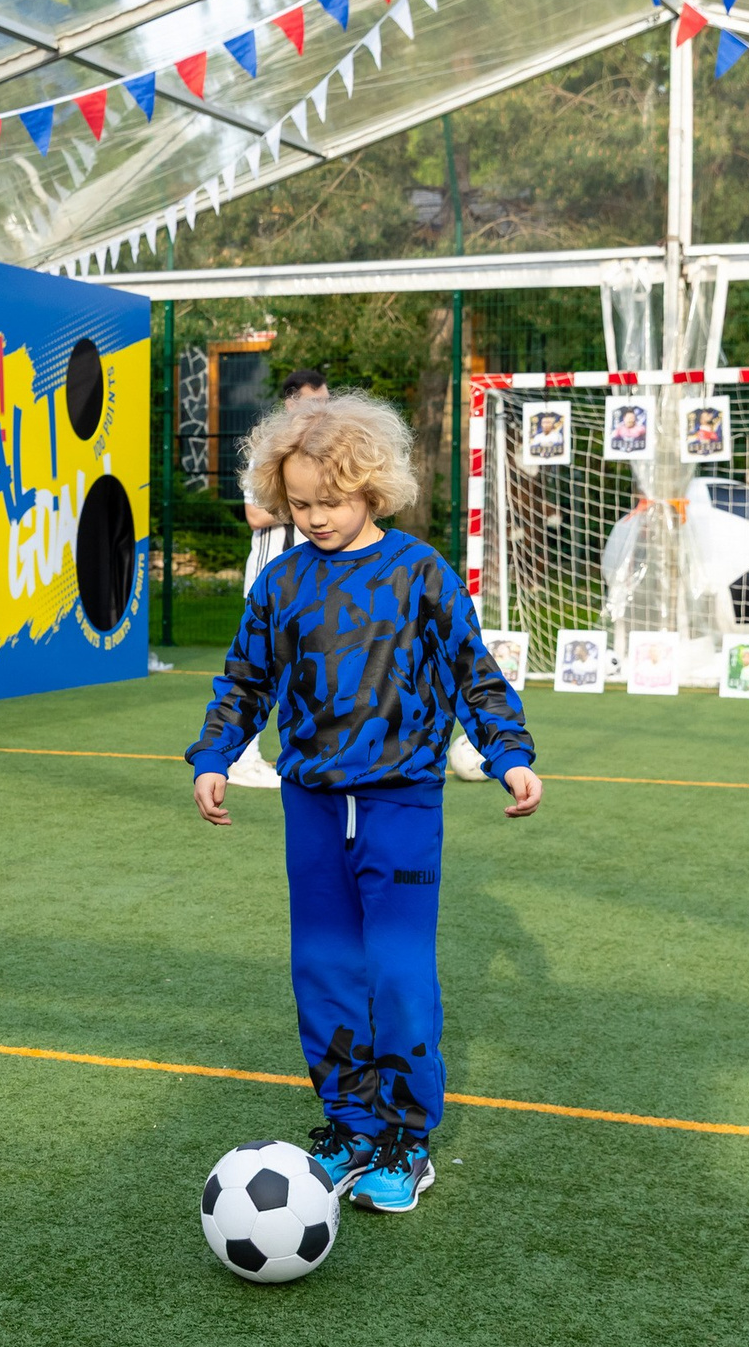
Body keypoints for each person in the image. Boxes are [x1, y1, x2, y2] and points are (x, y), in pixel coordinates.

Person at [186, 392, 542, 1216]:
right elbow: (245, 680)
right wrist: (216, 753)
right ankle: (348, 1122)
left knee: (396, 971)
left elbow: (471, 668)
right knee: (322, 968)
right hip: (310, 804)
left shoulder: (418, 572)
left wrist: (508, 753)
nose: (312, 517)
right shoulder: (279, 583)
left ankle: (407, 1140)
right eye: (300, 503)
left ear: (372, 489)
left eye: (330, 502)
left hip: (400, 805)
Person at [226, 367, 331, 790]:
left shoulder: (321, 447)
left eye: (327, 401)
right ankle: (240, 757)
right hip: (274, 573)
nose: (323, 409)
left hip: (314, 573)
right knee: (260, 665)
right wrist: (308, 503)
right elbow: (255, 514)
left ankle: (311, 750)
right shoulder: (270, 446)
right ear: (292, 402)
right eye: (315, 402)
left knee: (315, 661)